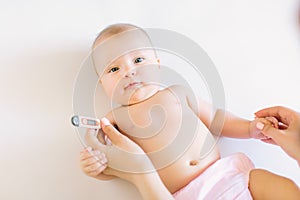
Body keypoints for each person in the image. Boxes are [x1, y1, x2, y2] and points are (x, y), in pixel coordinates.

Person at [79, 23, 300, 199]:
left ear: (157, 64)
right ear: (102, 84)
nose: (129, 72)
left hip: (229, 176)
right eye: (114, 69)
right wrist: (96, 167)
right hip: (186, 195)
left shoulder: (178, 93)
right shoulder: (113, 122)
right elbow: (115, 162)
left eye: (138, 60)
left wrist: (249, 128)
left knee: (283, 188)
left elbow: (217, 119)